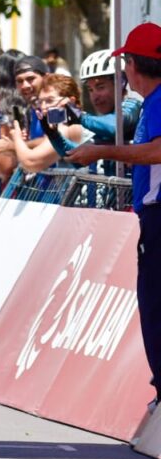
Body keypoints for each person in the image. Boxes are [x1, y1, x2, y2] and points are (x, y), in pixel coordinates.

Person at [66, 23, 161, 412]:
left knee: (155, 307)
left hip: (159, 216)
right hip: (153, 215)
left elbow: (157, 151)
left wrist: (103, 153)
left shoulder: (156, 102)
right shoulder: (152, 102)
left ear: (135, 66)